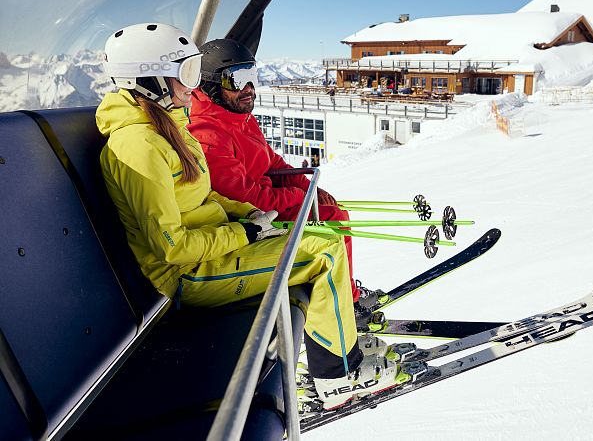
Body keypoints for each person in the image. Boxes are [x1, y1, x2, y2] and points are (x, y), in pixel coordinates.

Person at [96, 23, 405, 409]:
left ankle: (337, 333)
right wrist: (245, 233)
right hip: (188, 276)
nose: (191, 87)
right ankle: (337, 376)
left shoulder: (168, 129)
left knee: (318, 239)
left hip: (215, 249)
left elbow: (208, 195)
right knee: (322, 253)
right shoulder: (137, 147)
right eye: (185, 74)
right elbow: (171, 248)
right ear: (150, 80)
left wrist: (256, 216)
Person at [187, 39, 381, 306]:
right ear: (210, 86)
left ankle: (343, 291)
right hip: (254, 218)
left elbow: (272, 162)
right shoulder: (207, 134)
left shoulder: (238, 115)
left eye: (251, 76)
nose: (249, 89)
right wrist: (298, 197)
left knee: (335, 210)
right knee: (334, 220)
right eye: (236, 79)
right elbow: (245, 197)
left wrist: (309, 189)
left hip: (271, 202)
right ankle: (348, 301)